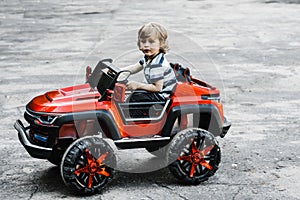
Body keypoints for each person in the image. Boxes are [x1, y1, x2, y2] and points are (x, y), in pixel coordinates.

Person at [124, 22, 177, 103]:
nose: (146, 45)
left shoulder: (157, 64)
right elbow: (134, 68)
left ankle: (137, 115)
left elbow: (157, 88)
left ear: (161, 44)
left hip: (163, 96)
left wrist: (137, 85)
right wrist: (117, 71)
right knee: (131, 93)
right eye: (143, 41)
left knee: (134, 97)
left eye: (151, 42)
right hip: (156, 92)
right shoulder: (148, 58)